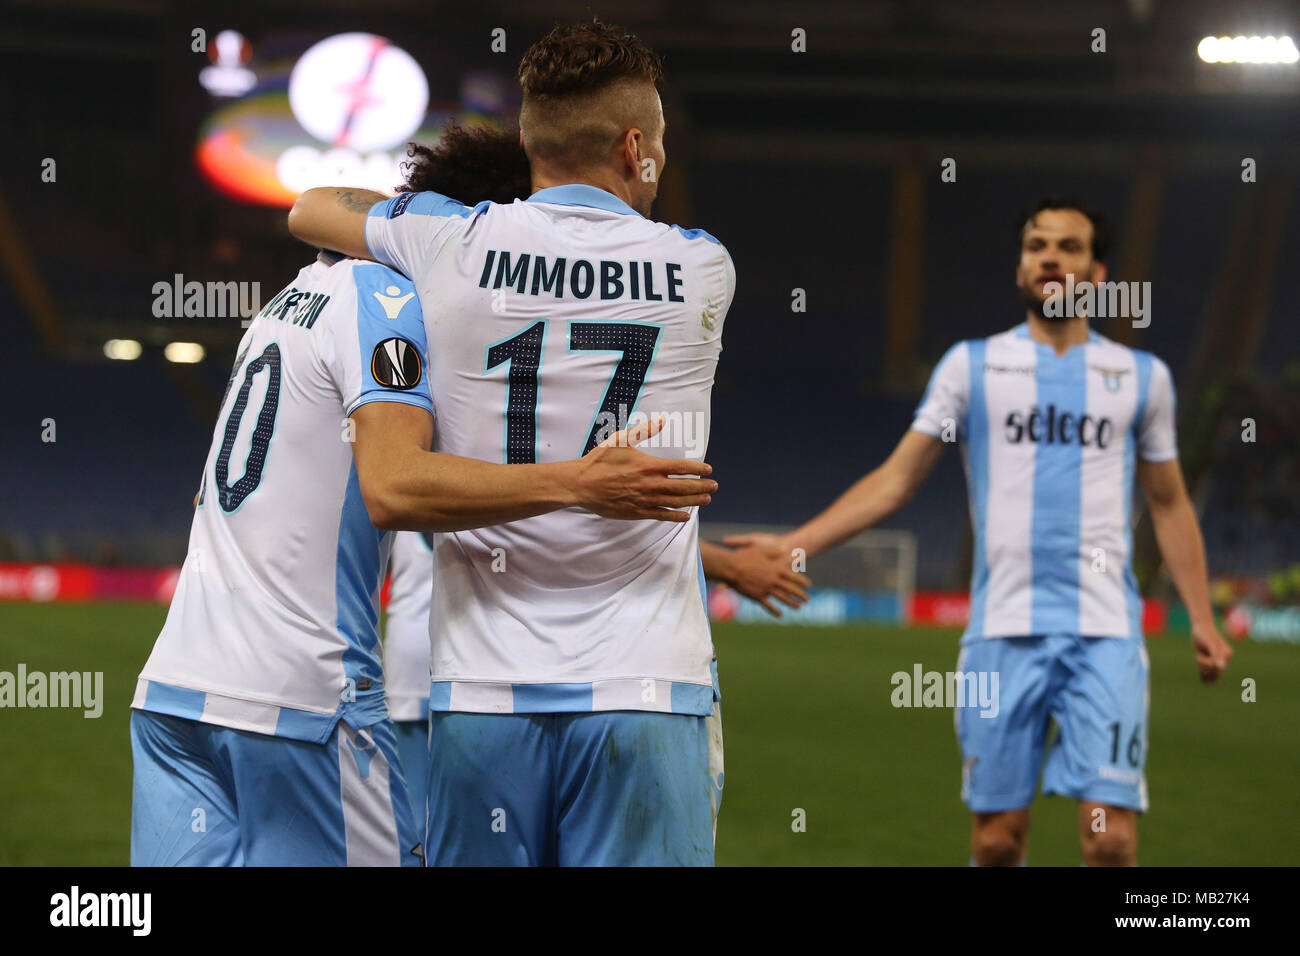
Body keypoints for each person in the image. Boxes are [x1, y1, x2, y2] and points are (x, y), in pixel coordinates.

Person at [288, 20, 743, 865]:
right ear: (635, 147)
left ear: (533, 137)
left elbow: (310, 208)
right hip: (645, 688)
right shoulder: (703, 266)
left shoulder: (447, 240)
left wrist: (434, 220)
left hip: (482, 699)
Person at [130, 220, 714, 865]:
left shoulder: (281, 304)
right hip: (302, 695)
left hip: (174, 690)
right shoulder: (386, 299)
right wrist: (577, 482)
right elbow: (396, 486)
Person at [728, 198, 1234, 866]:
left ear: (1099, 272)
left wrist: (1200, 615)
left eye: (1069, 246)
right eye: (1036, 245)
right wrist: (796, 545)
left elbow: (1168, 502)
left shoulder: (1142, 379)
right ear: (1021, 267)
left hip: (1106, 632)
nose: (1050, 256)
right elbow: (897, 480)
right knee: (997, 842)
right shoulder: (970, 368)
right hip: (999, 634)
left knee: (1110, 841)